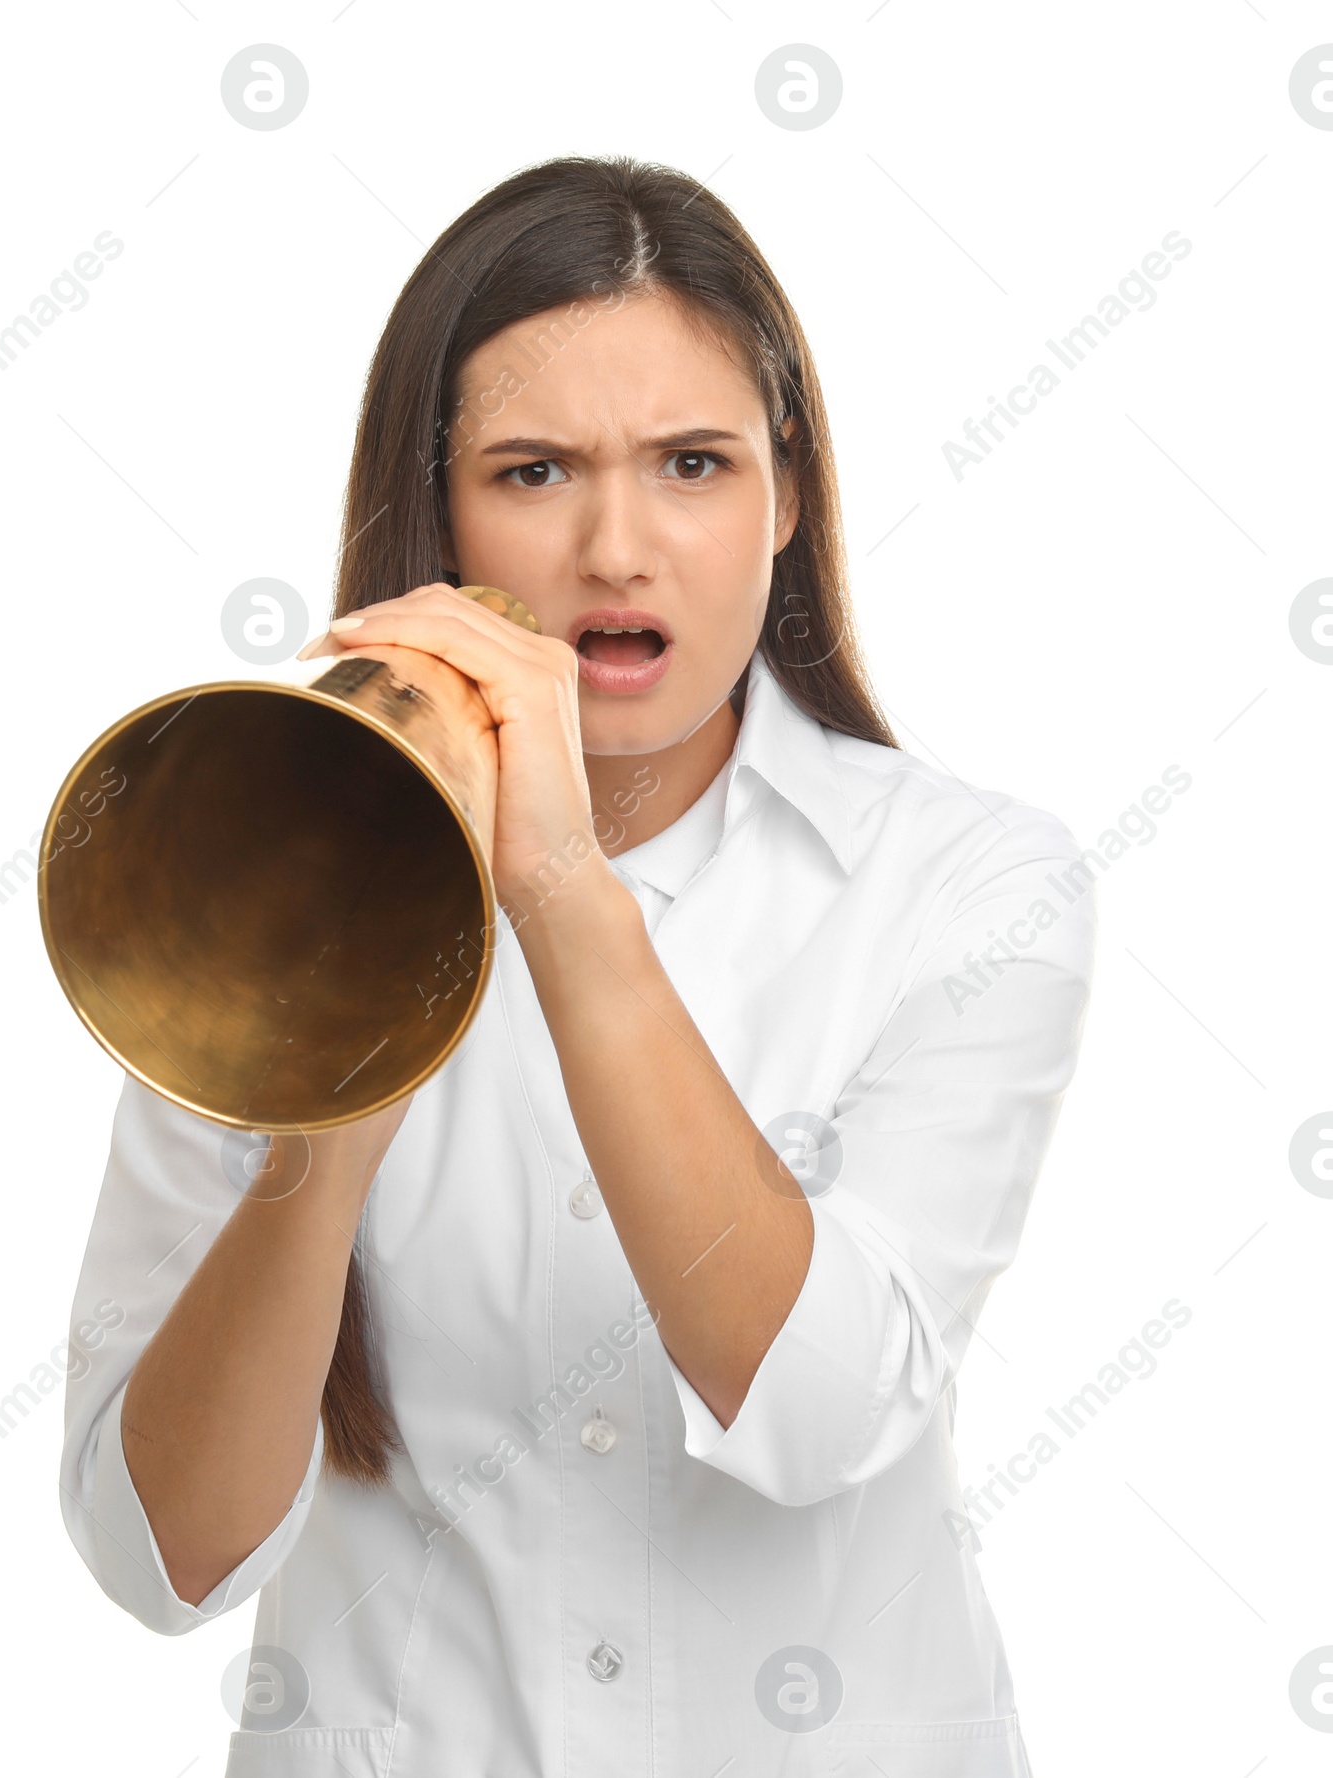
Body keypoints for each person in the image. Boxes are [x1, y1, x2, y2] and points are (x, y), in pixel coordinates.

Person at [59, 154, 1095, 1777]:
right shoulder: (262, 860)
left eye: (693, 462)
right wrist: (331, 1082)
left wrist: (555, 886)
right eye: (533, 471)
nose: (618, 548)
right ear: (438, 512)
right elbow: (162, 1555)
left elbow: (821, 1414)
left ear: (787, 497)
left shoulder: (972, 880)